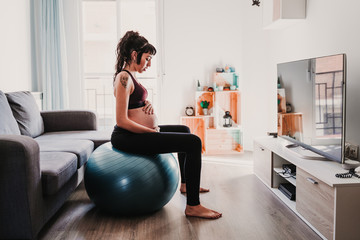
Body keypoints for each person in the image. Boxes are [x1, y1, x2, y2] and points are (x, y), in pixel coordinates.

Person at [111, 30, 222, 219]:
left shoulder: (131, 76)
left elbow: (134, 104)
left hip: (140, 133)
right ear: (134, 54)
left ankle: (186, 184)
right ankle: (193, 206)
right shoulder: (123, 78)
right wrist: (150, 132)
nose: (149, 64)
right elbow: (121, 120)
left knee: (185, 130)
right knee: (193, 142)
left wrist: (146, 104)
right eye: (147, 59)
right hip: (127, 137)